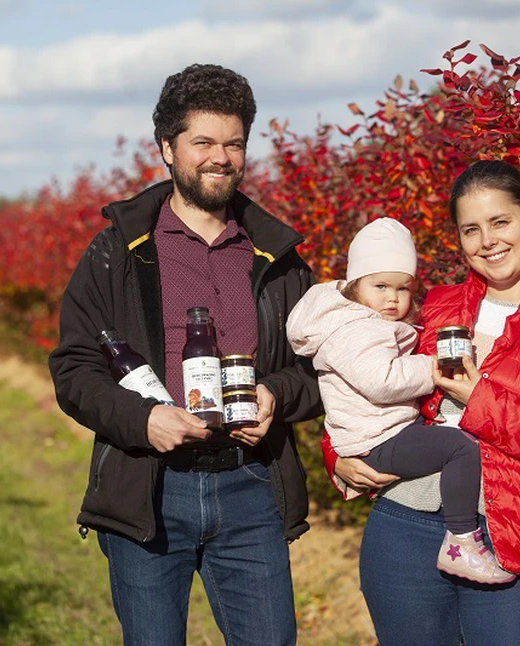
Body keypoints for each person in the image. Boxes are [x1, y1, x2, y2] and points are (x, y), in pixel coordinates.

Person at [48, 63, 320, 645]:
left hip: (251, 486)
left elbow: (320, 366)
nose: (219, 157)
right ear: (167, 149)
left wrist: (277, 395)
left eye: (233, 143)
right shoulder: (117, 251)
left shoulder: (277, 257)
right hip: (150, 489)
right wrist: (143, 419)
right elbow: (73, 369)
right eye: (203, 142)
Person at [322, 160, 520, 644]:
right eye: (471, 229)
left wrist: (479, 398)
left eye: (500, 222)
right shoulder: (436, 305)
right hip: (404, 524)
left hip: (515, 534)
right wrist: (337, 454)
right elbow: (360, 375)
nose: (488, 241)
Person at [286, 217, 513, 586]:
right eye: (381, 286)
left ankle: (460, 539)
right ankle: (462, 541)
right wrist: (432, 366)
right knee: (460, 449)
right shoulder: (354, 330)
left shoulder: (362, 320)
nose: (393, 298)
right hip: (376, 440)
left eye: (403, 288)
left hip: (377, 434)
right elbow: (382, 380)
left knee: (453, 447)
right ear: (355, 285)